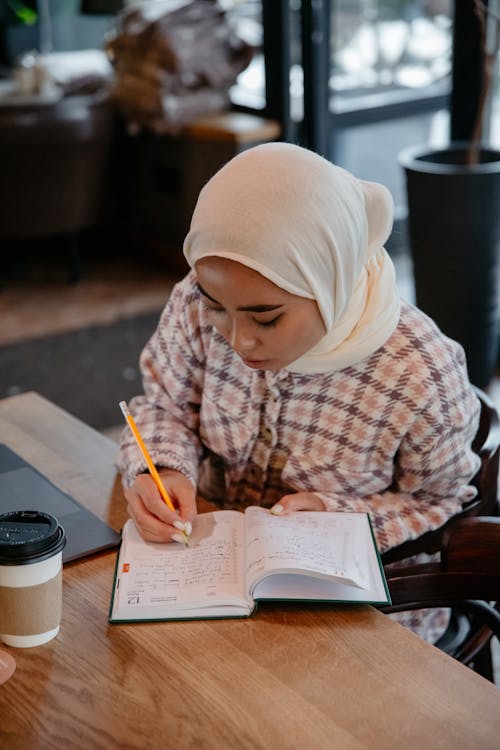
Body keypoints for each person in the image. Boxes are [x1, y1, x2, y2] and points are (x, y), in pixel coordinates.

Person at [117, 142, 480, 637]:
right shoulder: (194, 303)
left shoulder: (417, 372)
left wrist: (338, 514)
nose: (239, 339)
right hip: (207, 581)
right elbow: (163, 406)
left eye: (266, 317)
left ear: (332, 280)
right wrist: (159, 468)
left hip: (364, 619)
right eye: (216, 305)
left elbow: (440, 502)